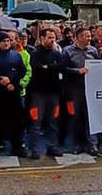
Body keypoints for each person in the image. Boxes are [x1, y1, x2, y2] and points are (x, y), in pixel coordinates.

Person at [0, 31, 26, 158]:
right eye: (4, 41)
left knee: (17, 121)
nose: (7, 43)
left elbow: (22, 71)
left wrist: (12, 81)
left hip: (13, 92)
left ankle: (17, 146)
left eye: (8, 41)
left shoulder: (16, 55)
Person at [62, 27, 100, 155]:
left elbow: (99, 65)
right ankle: (77, 144)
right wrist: (77, 71)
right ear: (77, 37)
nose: (89, 39)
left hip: (90, 88)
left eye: (90, 36)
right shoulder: (68, 51)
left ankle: (92, 144)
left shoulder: (93, 50)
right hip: (74, 89)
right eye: (86, 36)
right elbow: (63, 69)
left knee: (91, 117)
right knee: (76, 117)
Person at [28, 28, 63, 159]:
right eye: (49, 37)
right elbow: (37, 68)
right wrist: (50, 67)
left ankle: (52, 146)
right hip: (38, 93)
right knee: (36, 121)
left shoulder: (57, 54)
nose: (52, 40)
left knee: (53, 120)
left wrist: (48, 67)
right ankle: (35, 148)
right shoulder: (35, 53)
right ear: (42, 39)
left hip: (54, 92)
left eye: (53, 38)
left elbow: (62, 66)